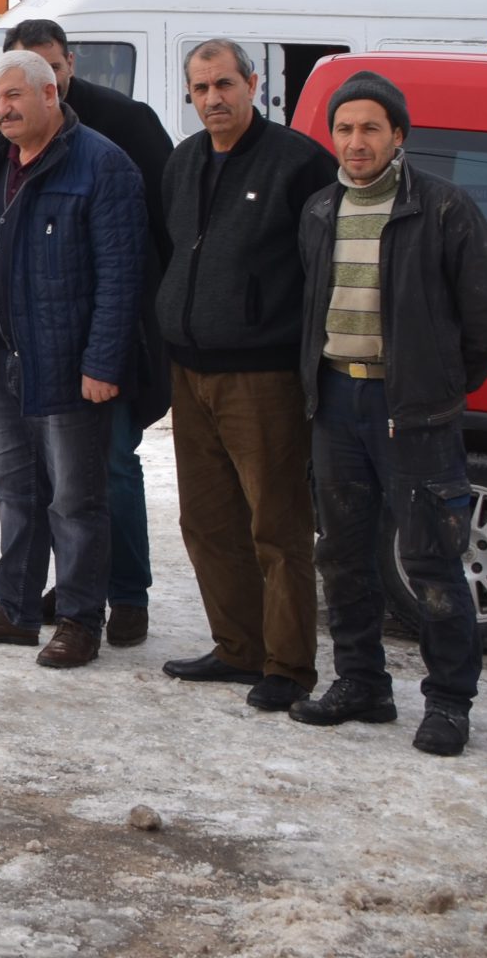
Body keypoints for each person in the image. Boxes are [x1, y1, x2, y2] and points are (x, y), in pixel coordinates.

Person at [291, 70, 487, 757]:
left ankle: (448, 702)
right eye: (346, 129)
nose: (357, 142)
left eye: (371, 129)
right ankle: (362, 683)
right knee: (343, 556)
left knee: (433, 561)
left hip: (412, 413)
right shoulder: (321, 210)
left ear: (398, 136)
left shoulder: (444, 210)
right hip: (336, 403)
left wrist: (432, 386)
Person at [0, 50, 148, 668]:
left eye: (14, 97)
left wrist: (104, 363)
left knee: (75, 501)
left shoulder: (101, 166)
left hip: (66, 366)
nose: (1, 110)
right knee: (13, 490)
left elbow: (121, 276)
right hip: (0, 360)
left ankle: (81, 619)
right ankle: (15, 607)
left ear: (51, 95)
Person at [156, 39, 337, 712]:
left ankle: (288, 665)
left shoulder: (297, 163)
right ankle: (238, 647)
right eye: (200, 88)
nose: (213, 99)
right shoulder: (184, 162)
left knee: (276, 523)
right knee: (207, 520)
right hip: (191, 371)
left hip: (263, 376)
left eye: (224, 84)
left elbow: (321, 270)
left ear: (253, 82)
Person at [4, 18, 172, 647]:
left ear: (68, 64)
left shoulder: (124, 124)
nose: (36, 82)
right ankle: (78, 584)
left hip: (115, 331)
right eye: (21, 72)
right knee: (48, 476)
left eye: (49, 67)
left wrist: (144, 327)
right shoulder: (2, 130)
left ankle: (128, 594)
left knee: (112, 467)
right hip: (37, 339)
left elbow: (161, 230)